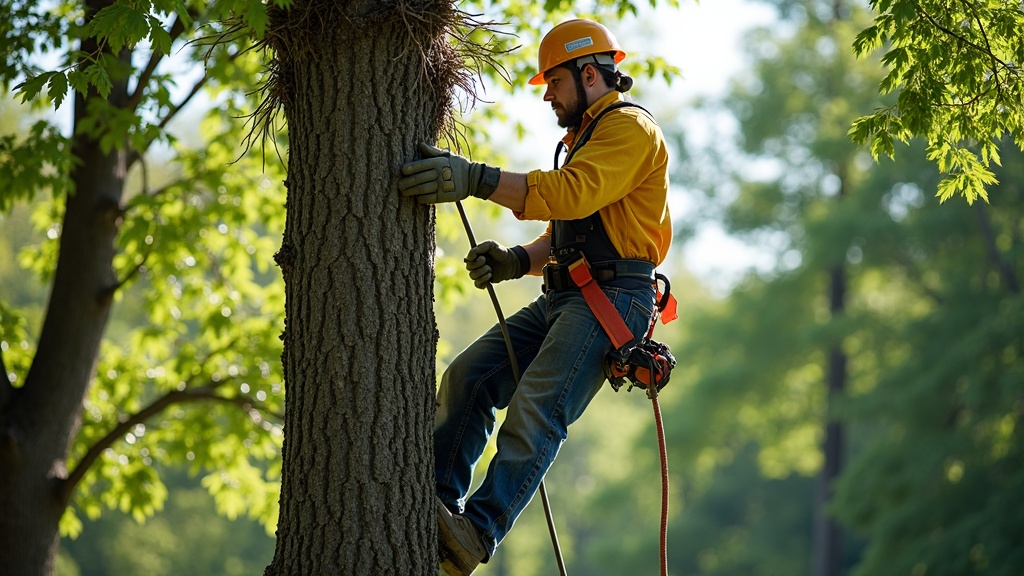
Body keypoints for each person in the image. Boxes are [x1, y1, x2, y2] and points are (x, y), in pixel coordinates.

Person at [398, 18, 671, 575]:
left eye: (554, 82)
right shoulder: (585, 139)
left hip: (614, 298)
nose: (547, 94)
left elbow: (570, 197)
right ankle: (430, 506)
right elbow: (569, 230)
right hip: (568, 293)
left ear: (588, 74)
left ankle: (474, 534)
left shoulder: (629, 130)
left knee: (535, 411)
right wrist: (518, 261)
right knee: (468, 377)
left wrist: (475, 178)